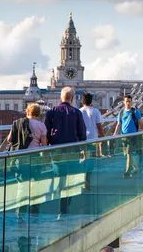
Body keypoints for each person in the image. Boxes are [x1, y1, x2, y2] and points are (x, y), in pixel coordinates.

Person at [45, 87, 87, 220]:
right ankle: (65, 209)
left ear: (60, 97)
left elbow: (46, 133)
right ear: (72, 98)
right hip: (72, 151)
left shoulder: (51, 112)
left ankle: (61, 207)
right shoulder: (76, 113)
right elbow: (82, 134)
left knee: (60, 178)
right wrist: (83, 150)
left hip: (56, 151)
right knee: (70, 179)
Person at [7, 103, 48, 220]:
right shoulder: (41, 126)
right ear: (38, 113)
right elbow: (44, 145)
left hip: (21, 157)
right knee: (36, 186)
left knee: (22, 185)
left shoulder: (18, 123)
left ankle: (20, 212)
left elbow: (10, 139)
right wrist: (45, 160)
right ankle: (35, 213)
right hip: (35, 158)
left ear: (27, 112)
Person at [113, 94, 143, 177]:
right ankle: (136, 168)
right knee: (127, 154)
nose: (128, 103)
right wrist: (115, 133)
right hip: (123, 137)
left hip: (133, 136)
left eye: (129, 101)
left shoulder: (135, 111)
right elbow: (118, 124)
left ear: (132, 102)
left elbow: (141, 123)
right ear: (124, 102)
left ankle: (127, 171)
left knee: (129, 154)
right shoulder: (121, 112)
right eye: (126, 101)